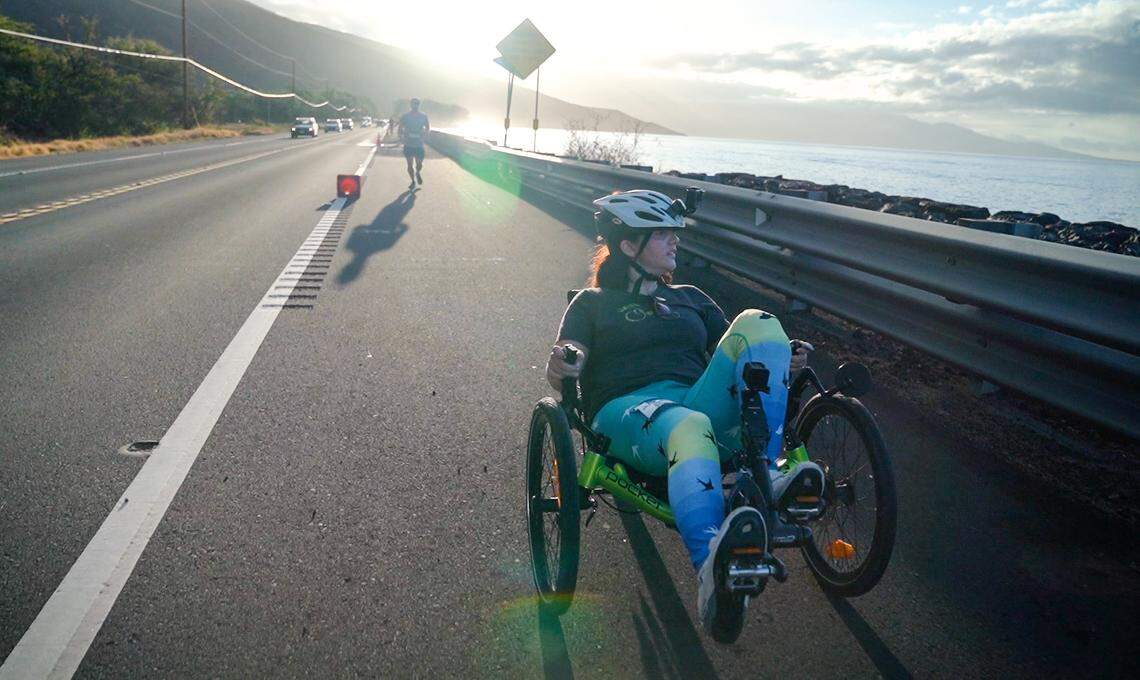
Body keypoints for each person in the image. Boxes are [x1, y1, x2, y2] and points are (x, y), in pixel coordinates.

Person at [544, 189, 823, 642]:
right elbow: (563, 365)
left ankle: (769, 474)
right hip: (627, 411)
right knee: (691, 425)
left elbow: (737, 355)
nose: (675, 241)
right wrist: (562, 363)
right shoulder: (591, 304)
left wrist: (779, 361)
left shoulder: (691, 297)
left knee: (760, 322)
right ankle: (711, 566)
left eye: (675, 233)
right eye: (662, 235)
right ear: (628, 245)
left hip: (694, 402)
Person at [397, 98, 430, 190]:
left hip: (419, 144)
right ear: (410, 105)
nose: (415, 105)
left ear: (419, 105)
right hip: (408, 144)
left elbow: (427, 127)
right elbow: (400, 128)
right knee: (409, 165)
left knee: (419, 164)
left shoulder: (423, 116)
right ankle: (413, 181)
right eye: (413, 103)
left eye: (417, 104)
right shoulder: (405, 116)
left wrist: (424, 136)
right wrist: (401, 137)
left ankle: (417, 172)